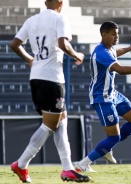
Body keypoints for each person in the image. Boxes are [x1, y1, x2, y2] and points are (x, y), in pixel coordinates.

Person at [9, 0, 91, 182]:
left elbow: (14, 44)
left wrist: (30, 59)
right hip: (52, 79)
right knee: (50, 125)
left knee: (61, 121)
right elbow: (63, 44)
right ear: (61, 2)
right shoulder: (60, 19)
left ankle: (68, 168)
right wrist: (77, 55)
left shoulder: (32, 20)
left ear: (45, 2)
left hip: (36, 77)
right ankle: (21, 164)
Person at [74, 21, 131, 172]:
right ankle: (83, 163)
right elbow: (120, 69)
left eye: (117, 34)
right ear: (103, 34)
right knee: (113, 137)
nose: (116, 37)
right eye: (113, 34)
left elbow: (116, 53)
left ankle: (108, 146)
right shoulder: (101, 52)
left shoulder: (109, 49)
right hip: (102, 98)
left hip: (113, 94)